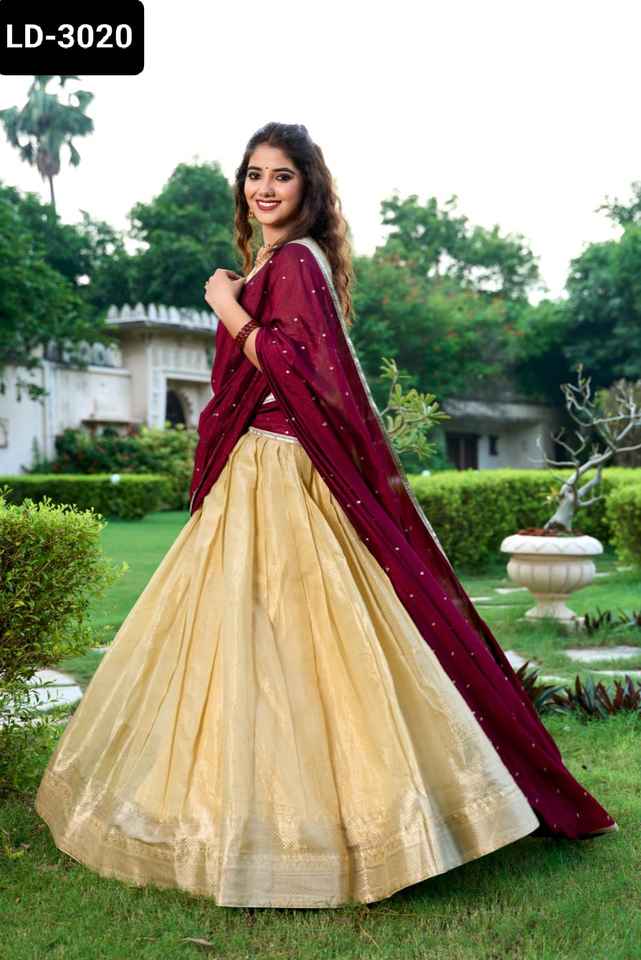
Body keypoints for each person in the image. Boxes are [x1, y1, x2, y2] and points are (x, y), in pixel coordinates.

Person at [35, 122, 618, 910]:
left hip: (282, 473)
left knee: (305, 643)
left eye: (281, 175)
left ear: (308, 186)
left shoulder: (295, 263)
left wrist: (223, 306)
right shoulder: (273, 263)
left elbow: (286, 364)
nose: (264, 188)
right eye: (253, 174)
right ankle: (246, 811)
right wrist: (237, 294)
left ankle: (349, 824)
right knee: (248, 646)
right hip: (255, 471)